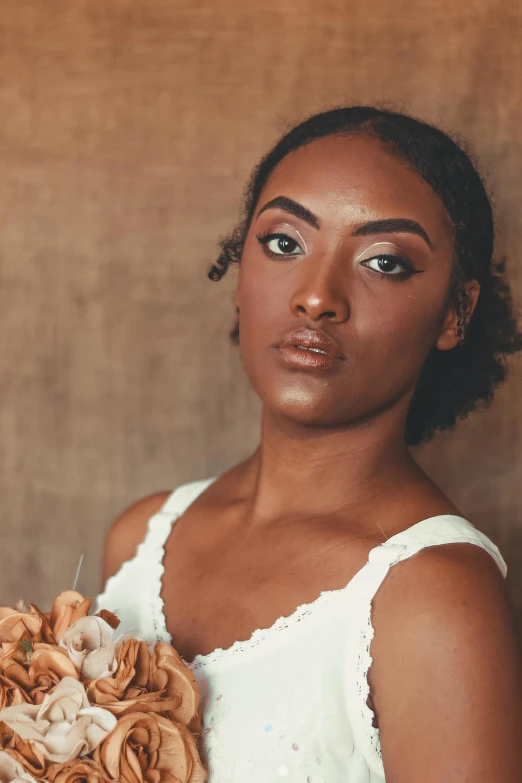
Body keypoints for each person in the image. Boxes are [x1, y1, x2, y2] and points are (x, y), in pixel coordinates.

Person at [96, 107, 522, 782]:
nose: (318, 297)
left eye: (385, 261)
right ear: (240, 273)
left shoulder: (434, 600)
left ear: (454, 313)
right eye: (285, 243)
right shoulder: (141, 537)